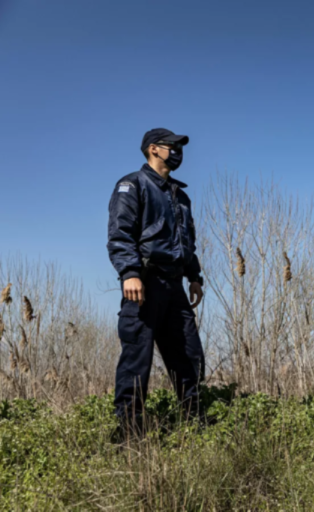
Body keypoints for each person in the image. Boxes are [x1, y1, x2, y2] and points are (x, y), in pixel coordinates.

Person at [107, 128, 205, 436]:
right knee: (137, 359)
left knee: (189, 356)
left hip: (175, 286)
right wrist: (130, 272)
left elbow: (186, 241)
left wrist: (194, 276)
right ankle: (129, 431)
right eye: (172, 146)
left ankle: (194, 425)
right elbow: (121, 234)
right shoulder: (132, 185)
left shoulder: (181, 195)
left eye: (180, 147)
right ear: (153, 149)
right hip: (144, 284)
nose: (177, 151)